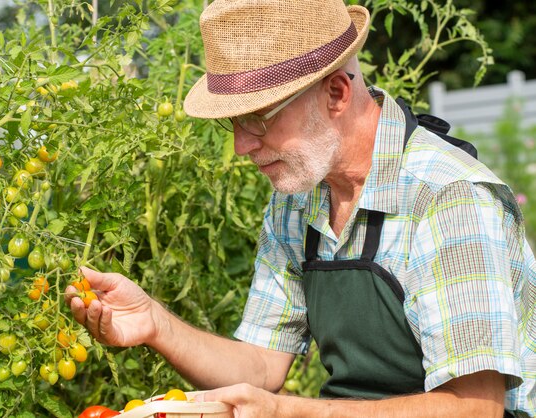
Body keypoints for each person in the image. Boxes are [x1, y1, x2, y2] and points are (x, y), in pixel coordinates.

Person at [66, 0, 536, 416]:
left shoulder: (448, 198)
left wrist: (289, 413)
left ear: (336, 93)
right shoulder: (299, 201)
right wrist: (155, 323)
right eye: (233, 122)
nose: (241, 146)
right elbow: (262, 366)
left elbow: (474, 409)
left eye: (257, 119)